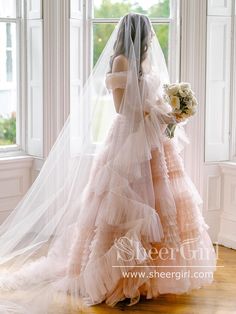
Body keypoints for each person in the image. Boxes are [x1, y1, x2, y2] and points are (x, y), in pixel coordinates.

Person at [0, 13, 216, 313]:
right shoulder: (121, 63)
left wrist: (169, 114)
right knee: (125, 208)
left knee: (159, 204)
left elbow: (147, 101)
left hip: (152, 144)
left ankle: (146, 277)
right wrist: (158, 115)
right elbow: (121, 108)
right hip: (127, 142)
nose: (152, 39)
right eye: (149, 34)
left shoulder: (144, 64)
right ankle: (117, 279)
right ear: (139, 35)